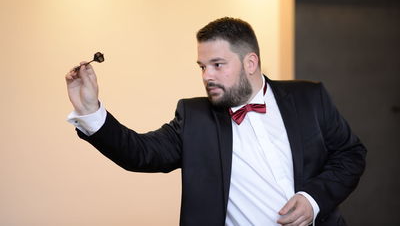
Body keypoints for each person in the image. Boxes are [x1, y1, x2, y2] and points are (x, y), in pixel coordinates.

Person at [65, 17, 366, 226]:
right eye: (202, 66)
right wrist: (91, 110)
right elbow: (139, 153)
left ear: (250, 62)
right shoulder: (194, 118)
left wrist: (313, 199)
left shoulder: (310, 98)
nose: (207, 76)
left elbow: (351, 155)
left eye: (218, 65)